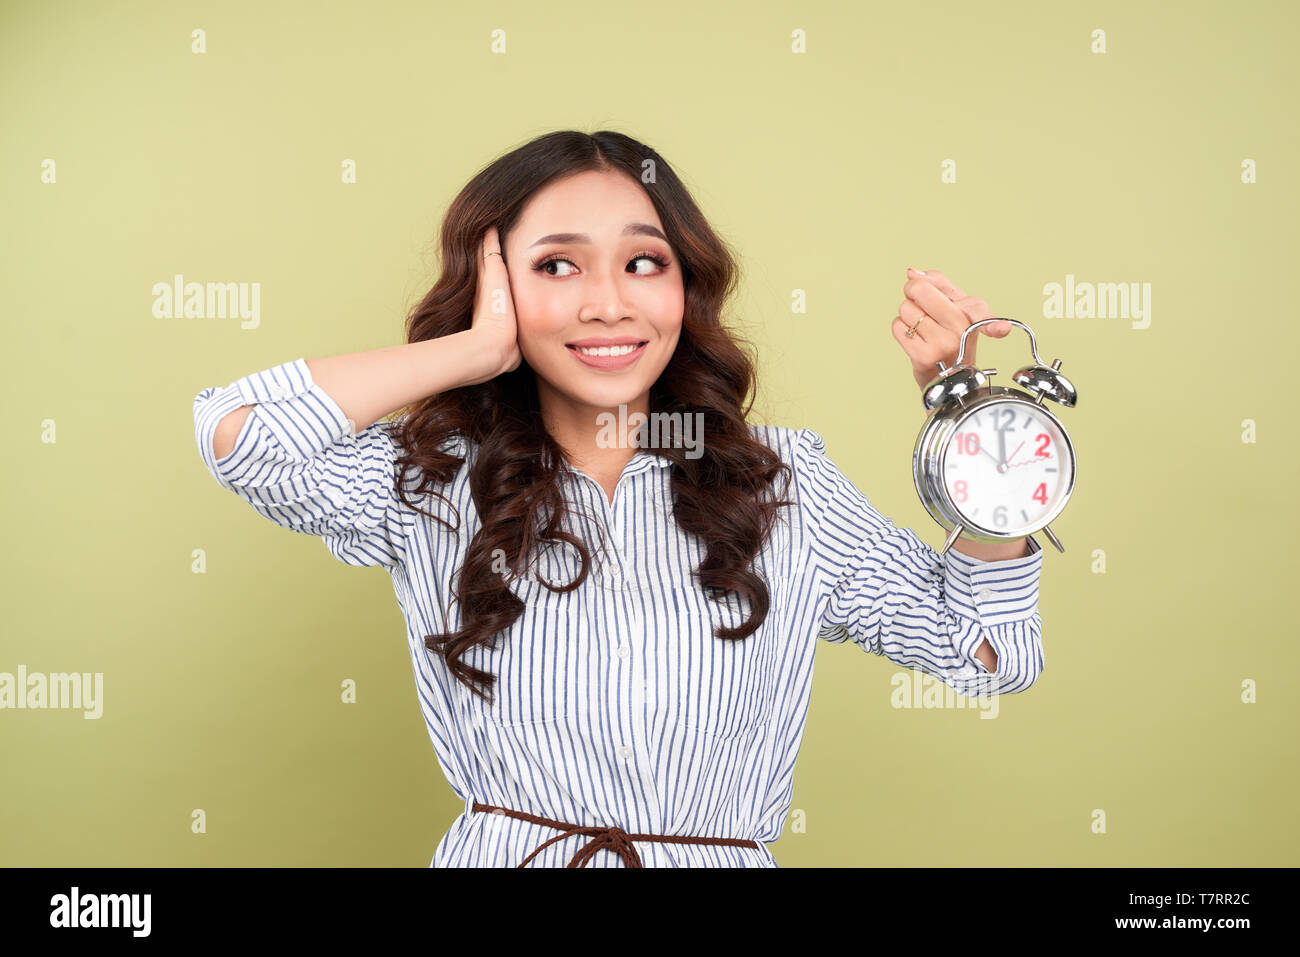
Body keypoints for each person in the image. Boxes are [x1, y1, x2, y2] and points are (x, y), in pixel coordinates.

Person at [192, 129, 1044, 868]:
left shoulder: (783, 485)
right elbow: (236, 430)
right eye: (556, 266)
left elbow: (989, 649)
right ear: (496, 285)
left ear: (686, 287)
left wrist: (979, 430)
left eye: (645, 262)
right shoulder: (440, 478)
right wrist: (475, 349)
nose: (608, 303)